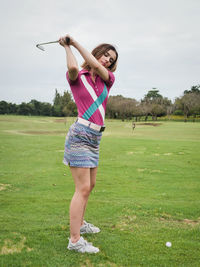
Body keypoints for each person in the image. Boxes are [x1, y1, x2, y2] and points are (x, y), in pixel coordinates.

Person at [59, 34, 118, 254]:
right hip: (80, 134)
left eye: (111, 59)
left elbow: (93, 64)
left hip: (95, 138)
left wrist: (74, 42)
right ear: (98, 52)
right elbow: (74, 68)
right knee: (82, 188)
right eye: (105, 55)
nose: (107, 61)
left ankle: (80, 222)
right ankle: (75, 240)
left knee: (90, 186)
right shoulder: (77, 76)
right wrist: (68, 47)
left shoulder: (107, 79)